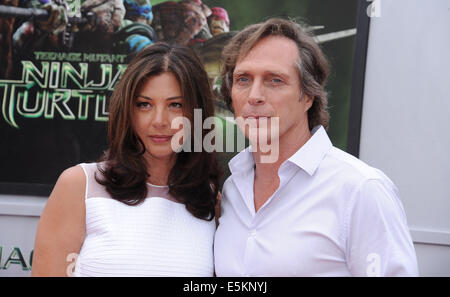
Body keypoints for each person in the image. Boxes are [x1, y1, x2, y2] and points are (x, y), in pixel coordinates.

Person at [214, 18, 419, 276]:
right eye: (243, 79)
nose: (254, 95)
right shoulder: (233, 190)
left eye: (275, 80)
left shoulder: (361, 190)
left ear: (309, 95)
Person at [31, 42, 221, 277]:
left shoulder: (211, 200)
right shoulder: (79, 185)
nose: (159, 120)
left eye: (175, 104)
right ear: (127, 110)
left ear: (197, 112)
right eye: (144, 105)